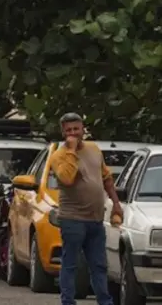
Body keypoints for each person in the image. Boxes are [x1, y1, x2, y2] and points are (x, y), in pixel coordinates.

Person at [50, 112, 123, 305]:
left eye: (76, 129)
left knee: (99, 265)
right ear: (63, 133)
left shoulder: (93, 149)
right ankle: (67, 301)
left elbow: (106, 178)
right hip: (72, 219)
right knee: (70, 263)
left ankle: (104, 301)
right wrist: (72, 151)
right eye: (68, 130)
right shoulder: (58, 156)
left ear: (83, 129)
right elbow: (67, 178)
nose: (73, 133)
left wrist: (116, 204)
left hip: (95, 218)